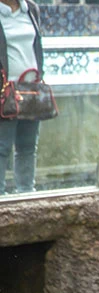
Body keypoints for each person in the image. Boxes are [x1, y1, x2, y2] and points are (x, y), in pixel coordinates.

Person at [0, 0, 43, 195]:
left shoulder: (31, 9)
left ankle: (26, 193)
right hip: (5, 93)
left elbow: (36, 46)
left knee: (27, 147)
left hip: (30, 90)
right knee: (2, 147)